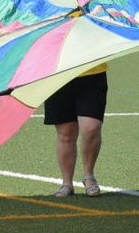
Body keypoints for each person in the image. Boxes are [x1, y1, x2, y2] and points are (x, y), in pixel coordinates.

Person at [44, 64, 108, 197]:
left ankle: (88, 176)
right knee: (65, 133)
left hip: (93, 72)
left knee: (91, 128)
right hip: (57, 74)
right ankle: (67, 184)